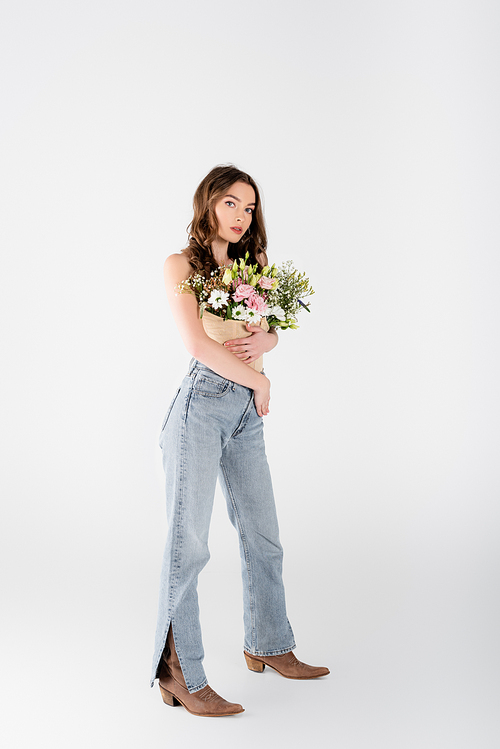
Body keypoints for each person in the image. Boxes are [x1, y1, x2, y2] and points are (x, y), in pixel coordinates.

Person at [151, 165, 329, 717]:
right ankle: (179, 671)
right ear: (208, 203)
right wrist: (260, 377)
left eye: (249, 208)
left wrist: (265, 343)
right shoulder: (181, 265)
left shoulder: (253, 269)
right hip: (201, 409)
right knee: (191, 546)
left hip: (245, 414)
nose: (240, 216)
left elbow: (268, 330)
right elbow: (197, 343)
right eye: (231, 203)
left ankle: (270, 644)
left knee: (263, 535)